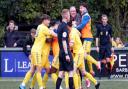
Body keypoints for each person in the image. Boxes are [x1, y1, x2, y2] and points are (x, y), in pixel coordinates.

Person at [19, 14, 56, 89]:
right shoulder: (44, 28)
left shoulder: (39, 26)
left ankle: (22, 85)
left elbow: (47, 36)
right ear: (44, 20)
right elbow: (53, 34)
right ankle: (41, 87)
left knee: (33, 69)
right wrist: (62, 35)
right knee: (38, 70)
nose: (49, 21)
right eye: (48, 20)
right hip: (37, 51)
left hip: (34, 49)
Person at [68, 23, 100, 89]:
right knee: (83, 72)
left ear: (67, 26)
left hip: (78, 53)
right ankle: (96, 82)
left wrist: (65, 46)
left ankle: (77, 87)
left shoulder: (72, 33)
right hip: (79, 52)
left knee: (73, 70)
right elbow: (80, 34)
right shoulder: (74, 29)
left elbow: (71, 44)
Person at [76, 3, 100, 76]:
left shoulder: (86, 16)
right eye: (80, 8)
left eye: (82, 8)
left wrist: (74, 28)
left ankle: (97, 63)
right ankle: (91, 70)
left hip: (87, 38)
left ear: (85, 8)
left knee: (84, 55)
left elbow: (82, 25)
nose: (80, 9)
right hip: (87, 37)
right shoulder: (84, 15)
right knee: (87, 54)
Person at [56, 9, 74, 89]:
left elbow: (62, 39)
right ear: (66, 16)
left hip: (61, 52)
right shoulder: (64, 26)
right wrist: (67, 54)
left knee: (61, 74)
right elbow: (63, 40)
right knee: (71, 72)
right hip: (65, 52)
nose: (70, 16)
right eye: (69, 15)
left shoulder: (59, 26)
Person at [96, 14, 114, 79]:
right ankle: (99, 75)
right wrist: (97, 46)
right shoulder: (99, 27)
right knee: (100, 60)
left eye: (105, 19)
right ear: (102, 20)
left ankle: (109, 74)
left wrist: (112, 46)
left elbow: (111, 37)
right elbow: (97, 37)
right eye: (103, 19)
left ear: (107, 20)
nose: (104, 20)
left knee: (108, 60)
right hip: (101, 46)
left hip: (107, 45)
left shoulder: (109, 27)